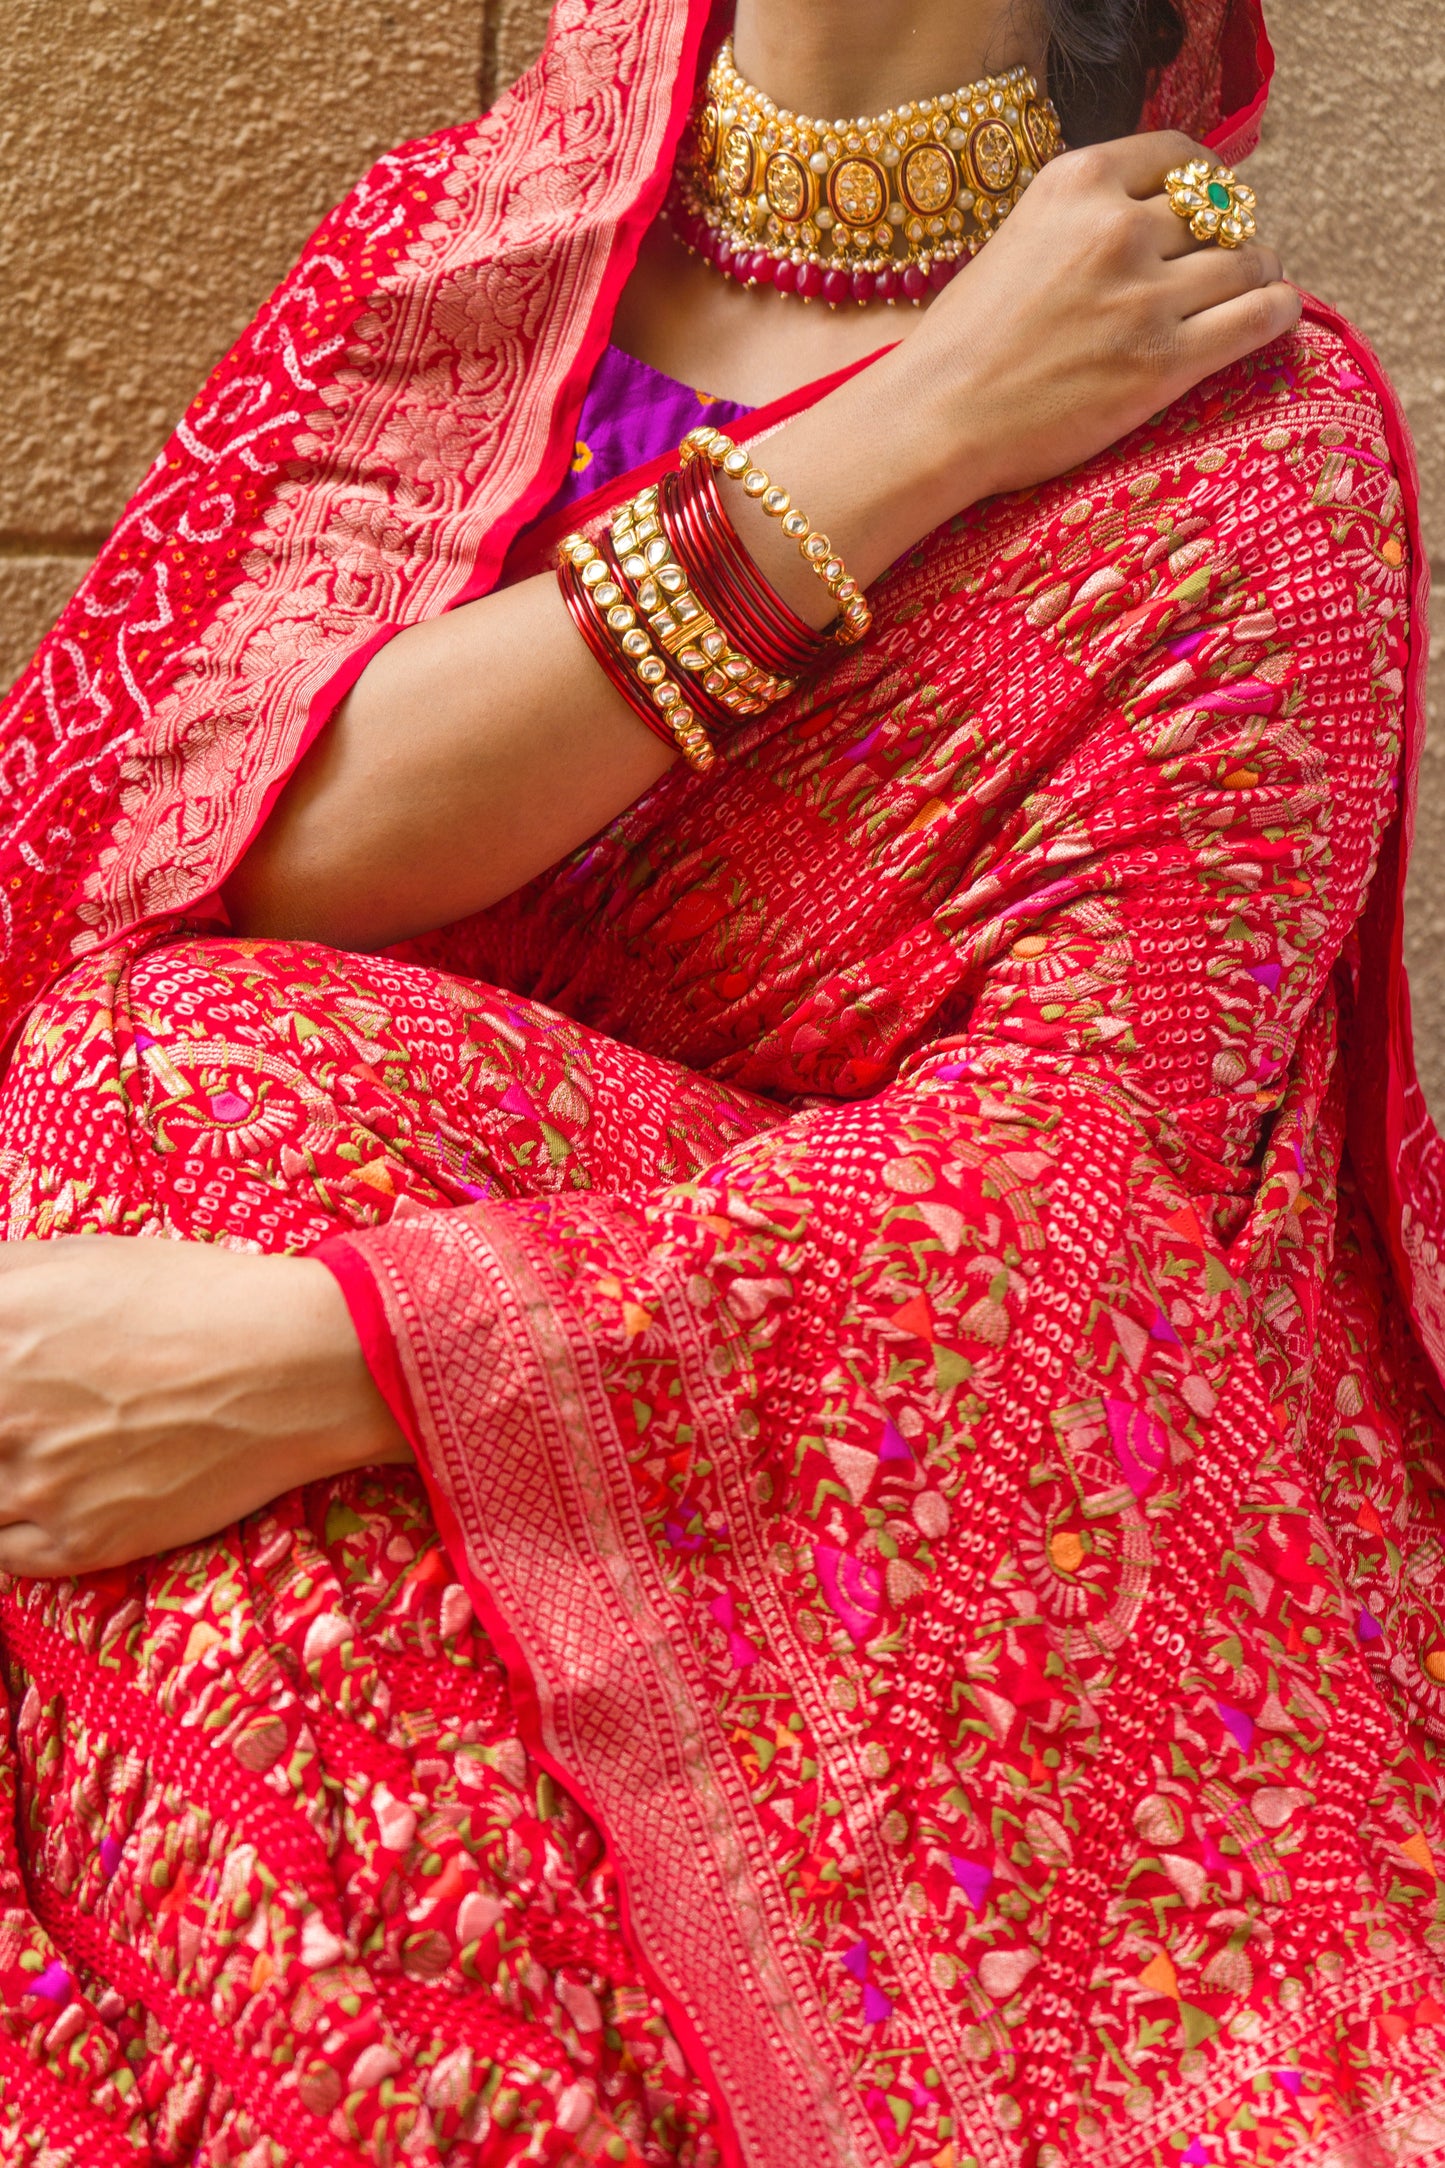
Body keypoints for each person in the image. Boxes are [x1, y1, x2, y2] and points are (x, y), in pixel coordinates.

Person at [0, 0, 1439, 2158]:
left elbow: (1066, 1227)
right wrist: (905, 437)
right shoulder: (451, 273)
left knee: (190, 1080)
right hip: (282, 1439)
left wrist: (340, 1355)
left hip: (830, 1565)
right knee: (158, 1062)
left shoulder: (1232, 417)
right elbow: (216, 848)